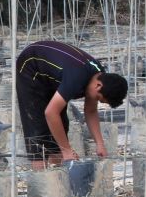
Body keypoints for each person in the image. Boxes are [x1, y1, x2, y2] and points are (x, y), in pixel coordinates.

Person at [15, 40, 127, 168]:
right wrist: (66, 150)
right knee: (39, 133)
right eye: (99, 98)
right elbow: (51, 112)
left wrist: (100, 144)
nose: (96, 101)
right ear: (98, 85)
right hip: (30, 67)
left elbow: (90, 111)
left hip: (50, 74)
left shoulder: (98, 74)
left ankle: (58, 176)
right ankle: (42, 181)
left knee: (61, 126)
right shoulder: (77, 77)